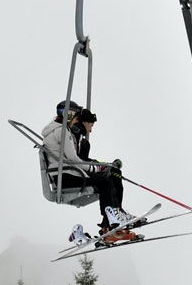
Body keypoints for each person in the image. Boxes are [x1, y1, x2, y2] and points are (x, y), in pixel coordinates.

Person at [40, 100, 136, 240]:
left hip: (63, 173)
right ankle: (112, 222)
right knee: (105, 182)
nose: (77, 121)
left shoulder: (58, 130)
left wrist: (98, 166)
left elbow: (72, 158)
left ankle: (113, 219)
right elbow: (73, 159)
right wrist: (95, 168)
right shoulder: (62, 131)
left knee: (105, 179)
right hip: (65, 176)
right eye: (77, 117)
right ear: (70, 115)